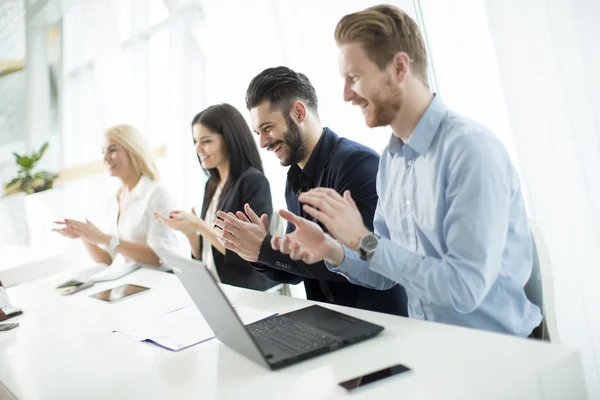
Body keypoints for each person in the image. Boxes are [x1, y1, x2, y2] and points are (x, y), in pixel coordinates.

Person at [271, 5, 542, 337]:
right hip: (431, 347)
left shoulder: (469, 151)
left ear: (399, 67)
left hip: (497, 354)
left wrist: (362, 239)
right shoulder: (392, 162)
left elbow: (463, 289)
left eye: (354, 78)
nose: (345, 95)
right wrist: (335, 249)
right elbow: (386, 273)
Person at [214, 66, 407, 316]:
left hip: (377, 323)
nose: (262, 142)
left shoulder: (357, 165)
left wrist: (267, 248)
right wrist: (256, 253)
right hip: (329, 322)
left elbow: (371, 263)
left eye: (268, 127)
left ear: (298, 112)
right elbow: (298, 269)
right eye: (257, 133)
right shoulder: (293, 180)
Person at [156, 104, 277, 291]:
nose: (198, 149)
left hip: (243, 289)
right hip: (214, 287)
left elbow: (248, 256)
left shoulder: (253, 181)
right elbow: (203, 254)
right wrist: (189, 231)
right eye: (195, 141)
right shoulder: (212, 184)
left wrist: (199, 225)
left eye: (206, 141)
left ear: (229, 139)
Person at [53, 124, 186, 269]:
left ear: (133, 150)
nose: (105, 158)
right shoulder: (114, 200)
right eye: (103, 152)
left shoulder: (157, 194)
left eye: (112, 150)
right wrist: (84, 235)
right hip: (129, 283)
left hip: (157, 283)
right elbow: (108, 260)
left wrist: (103, 238)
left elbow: (159, 257)